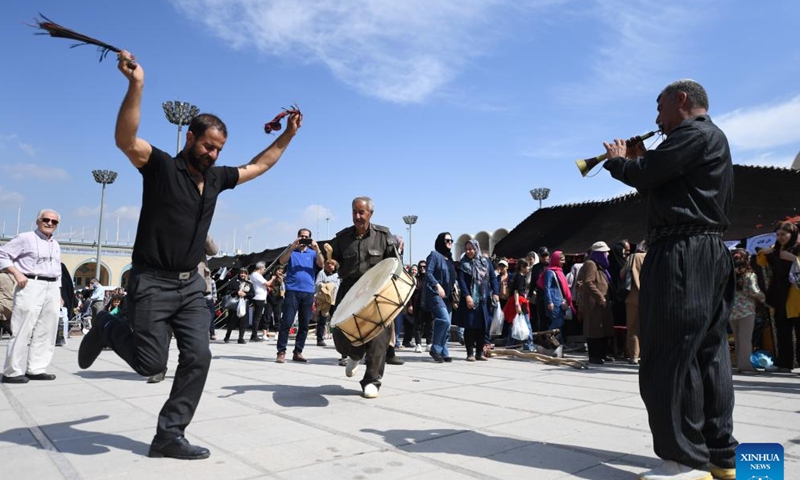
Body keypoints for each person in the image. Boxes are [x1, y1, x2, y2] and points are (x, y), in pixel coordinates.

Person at [78, 50, 302, 460]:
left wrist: (287, 135)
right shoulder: (161, 167)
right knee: (150, 365)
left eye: (218, 149)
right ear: (189, 138)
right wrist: (137, 85)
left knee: (199, 357)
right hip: (151, 281)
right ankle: (107, 327)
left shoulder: (216, 178)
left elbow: (258, 166)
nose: (212, 155)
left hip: (190, 287)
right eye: (207, 146)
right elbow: (125, 140)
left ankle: (169, 434)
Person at [604, 79, 737, 480]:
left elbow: (647, 175)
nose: (656, 118)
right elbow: (664, 188)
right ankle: (720, 457)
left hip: (681, 253)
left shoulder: (693, 133)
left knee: (669, 355)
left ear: (681, 100)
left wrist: (618, 160)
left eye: (660, 108)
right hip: (707, 251)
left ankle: (684, 461)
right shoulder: (708, 139)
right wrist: (645, 163)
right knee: (707, 354)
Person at [329, 196, 399, 399]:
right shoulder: (342, 238)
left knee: (379, 336)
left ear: (370, 213)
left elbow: (395, 264)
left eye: (361, 212)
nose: (357, 216)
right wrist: (330, 265)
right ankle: (354, 354)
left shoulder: (384, 236)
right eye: (354, 212)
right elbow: (332, 261)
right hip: (349, 291)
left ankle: (372, 381)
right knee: (340, 334)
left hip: (377, 291)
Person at [0, 209, 62, 384]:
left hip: (51, 286)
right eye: (46, 219)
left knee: (47, 328)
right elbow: (2, 254)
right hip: (30, 283)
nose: (50, 223)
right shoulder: (25, 238)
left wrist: (58, 293)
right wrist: (16, 273)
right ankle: (12, 371)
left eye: (54, 221)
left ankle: (37, 368)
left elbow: (57, 271)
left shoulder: (55, 244)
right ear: (38, 221)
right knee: (23, 326)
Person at [756, 221, 800, 372]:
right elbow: (760, 261)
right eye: (778, 234)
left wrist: (795, 259)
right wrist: (765, 252)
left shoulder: (798, 248)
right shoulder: (776, 249)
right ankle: (784, 363)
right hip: (780, 298)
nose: (780, 237)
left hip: (797, 299)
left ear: (792, 234)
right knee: (782, 332)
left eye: (784, 234)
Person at [276, 228, 323, 363]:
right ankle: (281, 351)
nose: (303, 239)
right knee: (287, 322)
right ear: (297, 237)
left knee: (304, 324)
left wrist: (317, 248)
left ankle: (298, 351)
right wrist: (292, 246)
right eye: (301, 236)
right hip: (292, 290)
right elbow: (281, 261)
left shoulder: (313, 253)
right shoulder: (292, 251)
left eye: (306, 237)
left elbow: (321, 263)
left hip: (308, 292)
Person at [454, 239, 499, 361]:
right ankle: (470, 353)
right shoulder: (463, 264)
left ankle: (479, 353)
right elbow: (462, 282)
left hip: (484, 300)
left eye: (471, 249)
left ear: (476, 248)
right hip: (470, 300)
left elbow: (493, 279)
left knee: (482, 327)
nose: (468, 251)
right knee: (470, 327)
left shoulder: (486, 262)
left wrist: (495, 293)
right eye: (466, 249)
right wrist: (467, 296)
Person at [576, 242, 614, 364]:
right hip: (594, 303)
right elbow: (588, 282)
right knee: (594, 329)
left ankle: (603, 354)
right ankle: (594, 356)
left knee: (603, 328)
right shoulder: (591, 264)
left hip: (602, 304)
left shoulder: (601, 267)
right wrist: (599, 296)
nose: (608, 254)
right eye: (605, 252)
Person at [730, 248, 765, 374]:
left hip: (732, 311)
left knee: (738, 339)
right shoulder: (749, 274)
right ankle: (745, 366)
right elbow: (754, 291)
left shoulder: (728, 274)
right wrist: (763, 298)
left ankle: (740, 362)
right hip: (746, 310)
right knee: (746, 339)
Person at [539, 250, 575, 345]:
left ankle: (559, 345)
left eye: (564, 260)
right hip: (554, 301)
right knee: (558, 322)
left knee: (560, 325)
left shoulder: (559, 271)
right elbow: (547, 288)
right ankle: (548, 338)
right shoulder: (550, 272)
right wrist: (549, 301)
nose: (563, 262)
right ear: (556, 260)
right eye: (561, 260)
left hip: (560, 301)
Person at [620, 241, 647, 365]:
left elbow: (622, 274)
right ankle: (646, 354)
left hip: (632, 297)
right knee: (647, 327)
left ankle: (634, 355)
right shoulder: (652, 256)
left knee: (633, 328)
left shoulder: (632, 257)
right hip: (649, 297)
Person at [223, 268, 254, 343]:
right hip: (235, 303)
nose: (243, 275)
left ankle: (241, 338)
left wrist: (245, 294)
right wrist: (237, 292)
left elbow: (252, 294)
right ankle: (227, 336)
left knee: (243, 321)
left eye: (244, 273)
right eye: (241, 273)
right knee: (232, 321)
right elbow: (228, 291)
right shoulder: (234, 281)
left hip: (244, 303)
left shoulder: (249, 283)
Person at [314, 258, 340, 347]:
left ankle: (338, 339)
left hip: (335, 299)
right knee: (323, 319)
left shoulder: (337, 274)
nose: (330, 266)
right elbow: (317, 284)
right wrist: (325, 285)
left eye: (332, 264)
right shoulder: (322, 273)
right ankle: (320, 338)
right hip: (325, 300)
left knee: (336, 320)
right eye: (328, 264)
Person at [249, 261, 272, 342]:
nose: (264, 270)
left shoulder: (255, 275)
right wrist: (273, 278)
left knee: (257, 317)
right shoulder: (256, 275)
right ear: (260, 268)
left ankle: (254, 334)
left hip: (260, 297)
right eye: (264, 269)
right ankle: (254, 335)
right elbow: (267, 283)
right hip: (259, 298)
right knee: (257, 317)